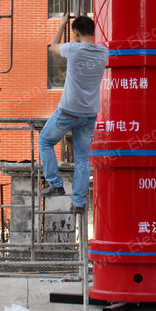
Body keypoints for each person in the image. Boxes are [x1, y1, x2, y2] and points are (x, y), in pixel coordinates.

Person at [39, 14, 108, 214]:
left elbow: (53, 47)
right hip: (89, 113)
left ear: (76, 33)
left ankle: (55, 183)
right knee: (83, 158)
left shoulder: (73, 49)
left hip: (68, 110)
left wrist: (62, 25)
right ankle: (78, 202)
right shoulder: (104, 52)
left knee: (45, 141)